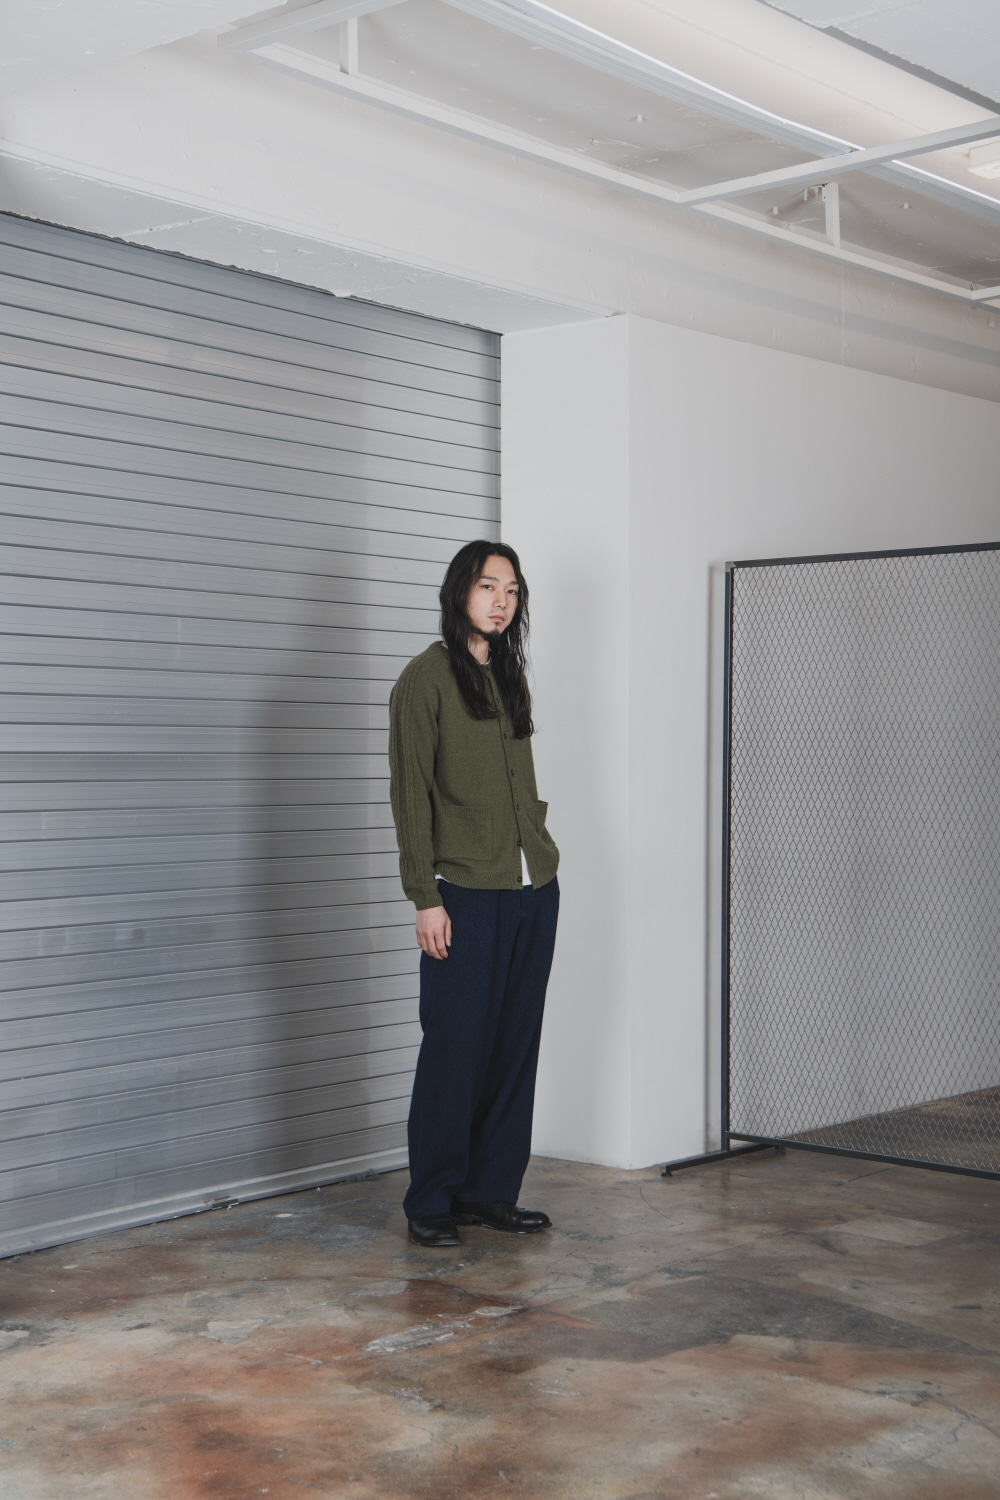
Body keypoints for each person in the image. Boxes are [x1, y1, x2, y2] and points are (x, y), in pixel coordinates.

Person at [388, 540, 560, 1247]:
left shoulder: (508, 677)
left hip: (530, 887)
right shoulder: (424, 680)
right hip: (462, 890)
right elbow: (410, 796)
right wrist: (424, 896)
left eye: (512, 591)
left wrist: (539, 857)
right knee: (455, 1045)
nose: (501, 601)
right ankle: (432, 1199)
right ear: (460, 590)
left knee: (513, 1046)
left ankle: (489, 1192)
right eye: (489, 586)